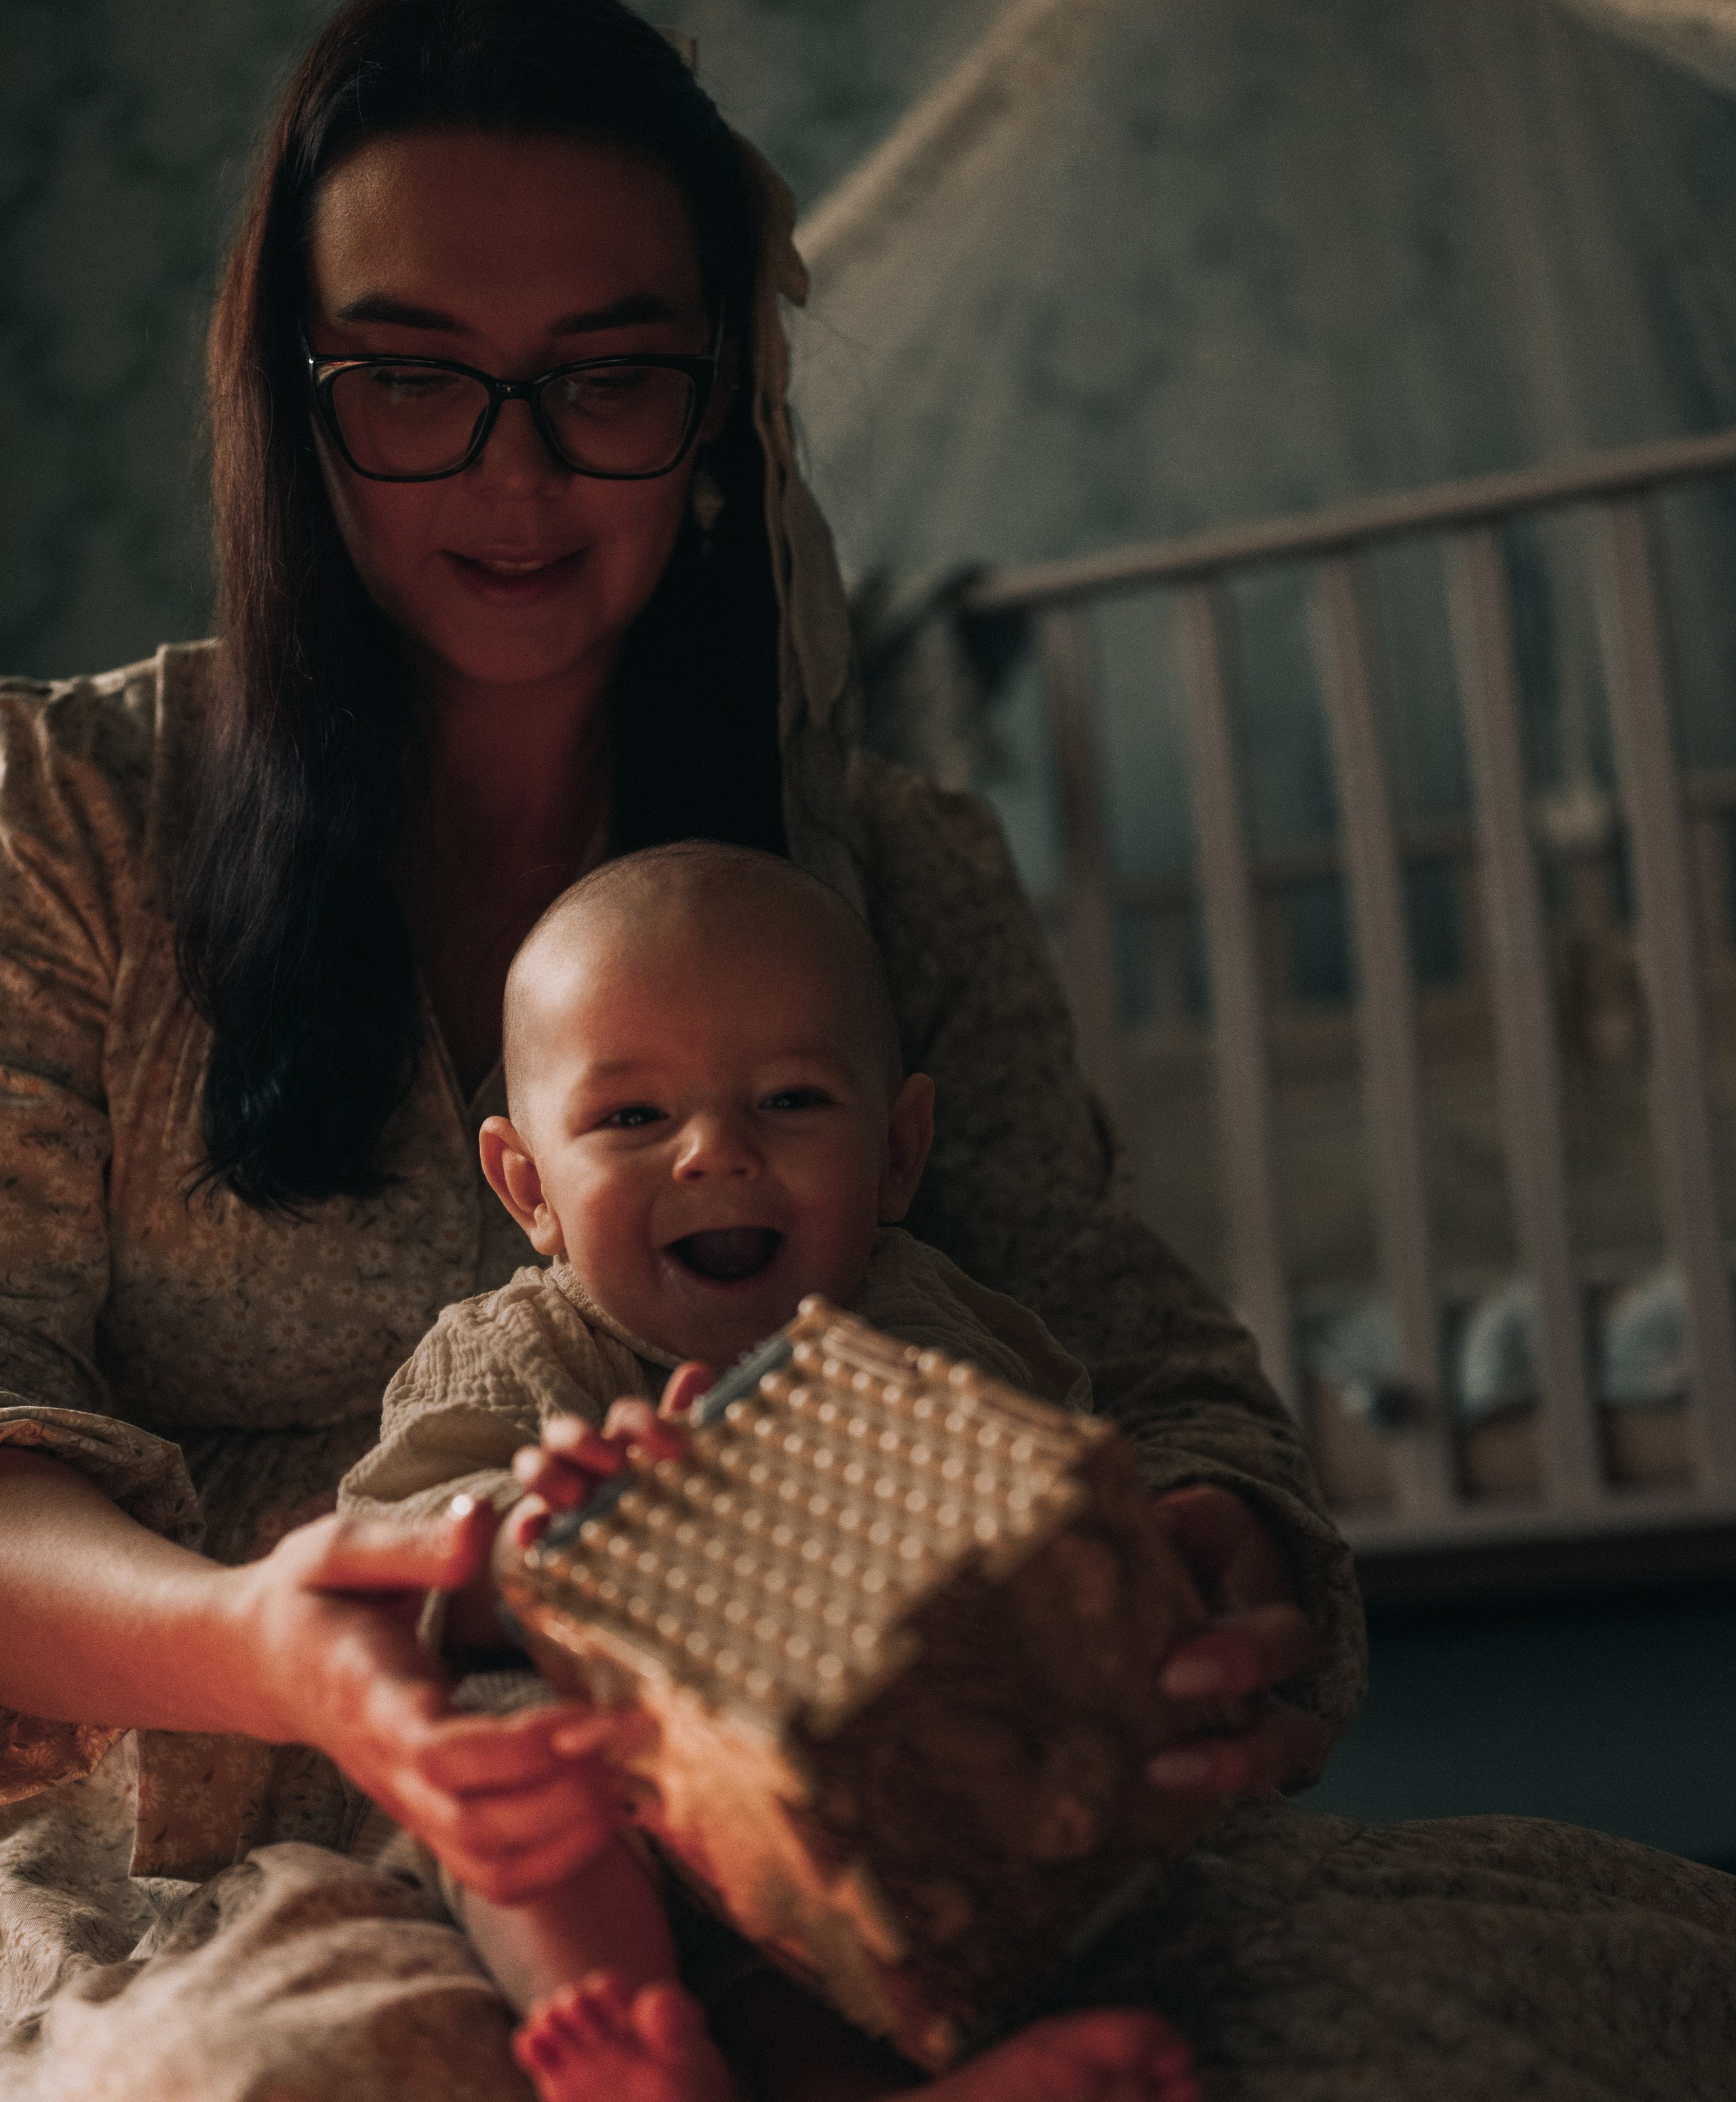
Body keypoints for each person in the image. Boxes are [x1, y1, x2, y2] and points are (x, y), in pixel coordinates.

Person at [0, 0, 1362, 1939]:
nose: (516, 473)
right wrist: (259, 1638)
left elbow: (1138, 1363)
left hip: (868, 1862)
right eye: (413, 377)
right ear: (294, 408)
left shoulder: (887, 873)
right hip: (239, 1868)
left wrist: (1212, 1558)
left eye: (609, 378)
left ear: (718, 400)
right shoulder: (68, 823)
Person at [340, 840, 1207, 2102]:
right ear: (526, 1185)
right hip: (626, 1786)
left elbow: (1057, 1507)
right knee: (518, 1783)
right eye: (629, 1114)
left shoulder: (935, 1332)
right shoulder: (509, 1353)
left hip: (868, 1813)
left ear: (899, 1153)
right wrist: (517, 1531)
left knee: (854, 1964)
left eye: (790, 1101)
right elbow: (385, 1547)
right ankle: (625, 2056)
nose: (714, 1152)